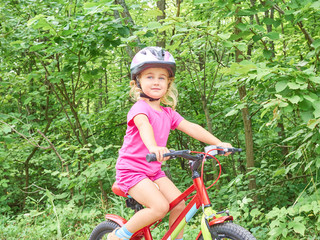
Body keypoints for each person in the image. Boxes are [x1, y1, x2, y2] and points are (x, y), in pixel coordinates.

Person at [108, 47, 232, 240]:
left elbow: (191, 127)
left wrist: (219, 143)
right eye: (149, 76)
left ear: (168, 83)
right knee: (160, 207)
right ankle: (118, 235)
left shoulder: (168, 113)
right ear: (137, 81)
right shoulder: (139, 108)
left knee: (179, 205)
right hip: (132, 170)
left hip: (153, 170)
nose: (156, 81)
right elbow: (144, 125)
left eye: (161, 77)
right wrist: (153, 147)